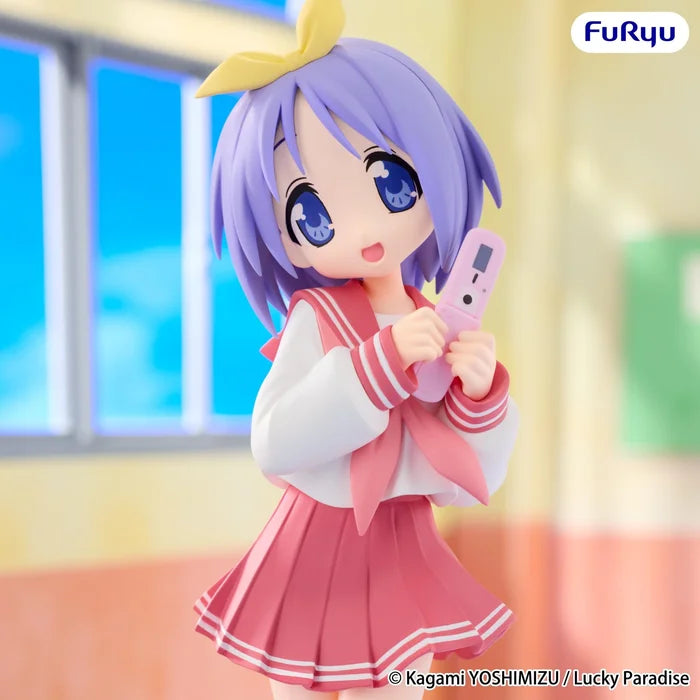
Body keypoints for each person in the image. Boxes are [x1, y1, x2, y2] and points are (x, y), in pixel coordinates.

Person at [193, 1, 519, 697]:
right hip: (313, 540)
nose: (364, 229)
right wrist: (378, 365)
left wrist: (479, 396)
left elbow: (459, 480)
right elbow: (273, 441)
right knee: (302, 685)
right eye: (311, 213)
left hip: (402, 543)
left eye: (391, 184)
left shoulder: (437, 322)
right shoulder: (317, 318)